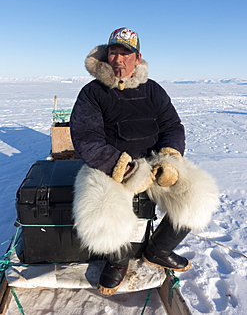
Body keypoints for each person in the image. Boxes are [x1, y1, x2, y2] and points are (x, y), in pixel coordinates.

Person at [70, 27, 219, 296]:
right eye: (113, 53)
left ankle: (158, 250)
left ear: (137, 59)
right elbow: (86, 138)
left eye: (125, 54)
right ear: (106, 56)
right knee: (102, 212)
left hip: (154, 162)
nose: (118, 60)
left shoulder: (153, 91)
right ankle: (118, 260)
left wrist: (171, 159)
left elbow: (172, 125)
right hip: (110, 165)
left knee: (197, 195)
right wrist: (124, 168)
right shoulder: (92, 93)